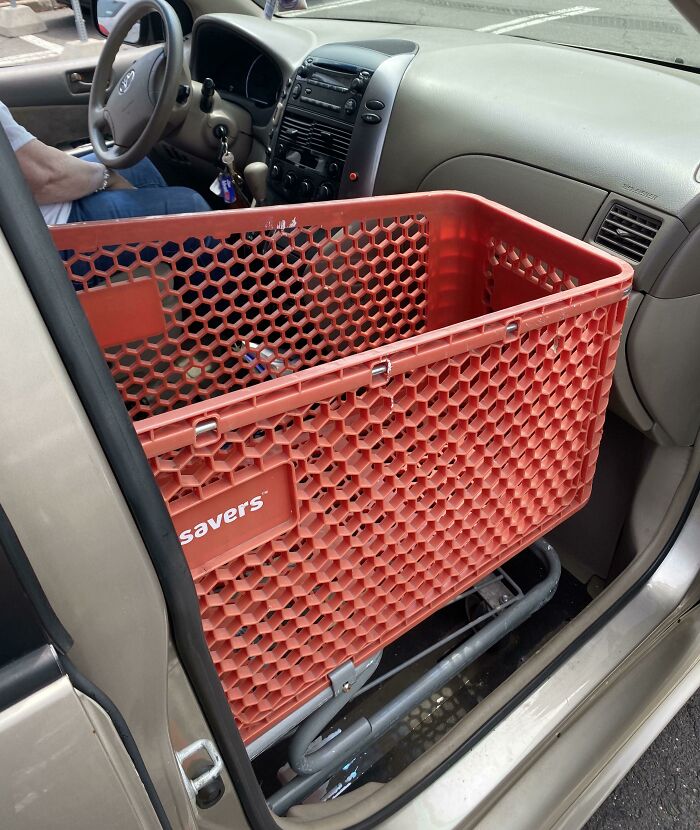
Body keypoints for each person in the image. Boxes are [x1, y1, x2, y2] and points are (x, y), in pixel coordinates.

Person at [0, 99, 210, 225]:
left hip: (29, 213)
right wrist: (106, 177)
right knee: (191, 209)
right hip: (40, 237)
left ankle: (161, 260)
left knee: (136, 165)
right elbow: (44, 178)